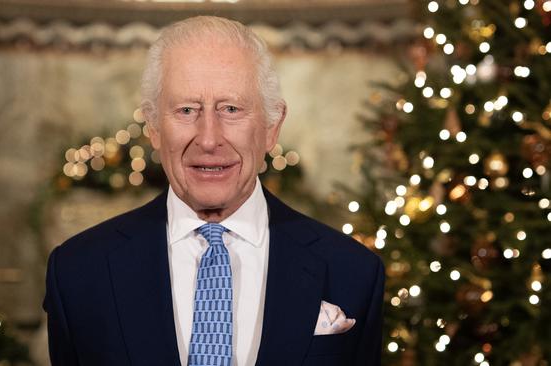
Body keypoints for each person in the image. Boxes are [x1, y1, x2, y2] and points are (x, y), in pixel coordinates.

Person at [44, 15, 385, 366]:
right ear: (154, 128)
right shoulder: (78, 272)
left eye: (231, 109)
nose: (208, 139)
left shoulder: (353, 272)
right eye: (187, 110)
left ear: (271, 127)